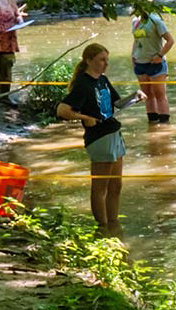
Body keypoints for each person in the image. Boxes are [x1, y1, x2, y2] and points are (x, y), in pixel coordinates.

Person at [55, 43, 138, 236]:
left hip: (114, 133)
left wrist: (136, 96)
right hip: (99, 138)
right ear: (89, 60)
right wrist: (85, 118)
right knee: (100, 188)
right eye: (102, 60)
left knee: (116, 186)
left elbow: (117, 104)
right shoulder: (83, 84)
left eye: (107, 60)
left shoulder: (103, 80)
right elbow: (62, 110)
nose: (105, 64)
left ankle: (114, 225)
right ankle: (102, 229)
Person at [130, 6, 175, 124]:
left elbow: (170, 41)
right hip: (140, 63)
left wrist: (160, 56)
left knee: (159, 94)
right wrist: (132, 56)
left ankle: (165, 127)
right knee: (147, 95)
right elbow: (136, 41)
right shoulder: (135, 21)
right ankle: (152, 126)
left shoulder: (156, 20)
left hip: (155, 63)